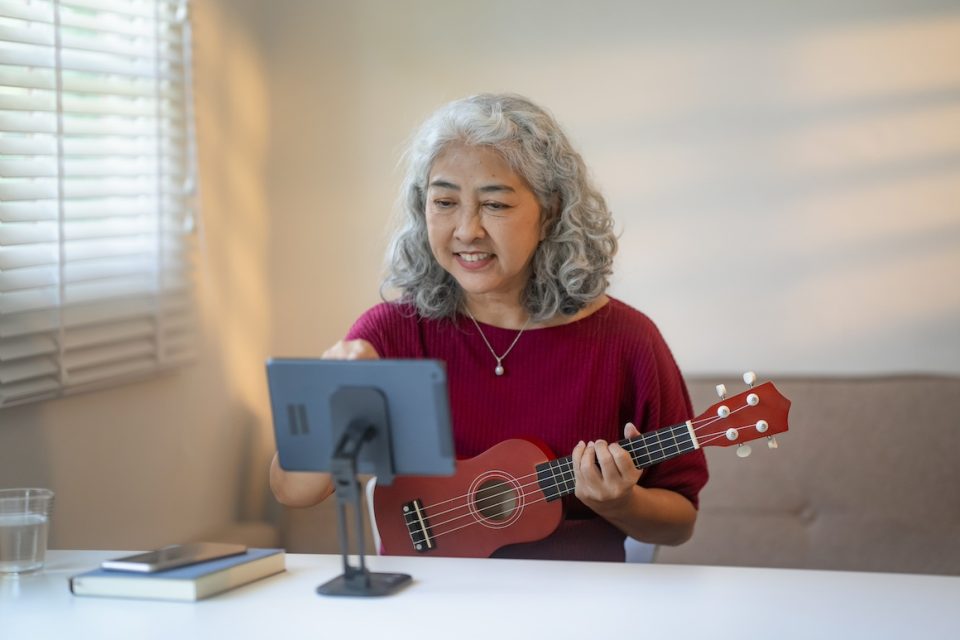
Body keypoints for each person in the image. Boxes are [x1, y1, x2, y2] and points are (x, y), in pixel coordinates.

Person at [269, 93, 708, 562]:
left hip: (579, 608)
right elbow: (291, 490)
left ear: (551, 211)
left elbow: (679, 520)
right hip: (426, 606)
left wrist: (623, 502)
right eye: (444, 202)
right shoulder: (393, 333)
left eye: (494, 205)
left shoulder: (626, 341)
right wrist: (331, 402)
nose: (467, 230)